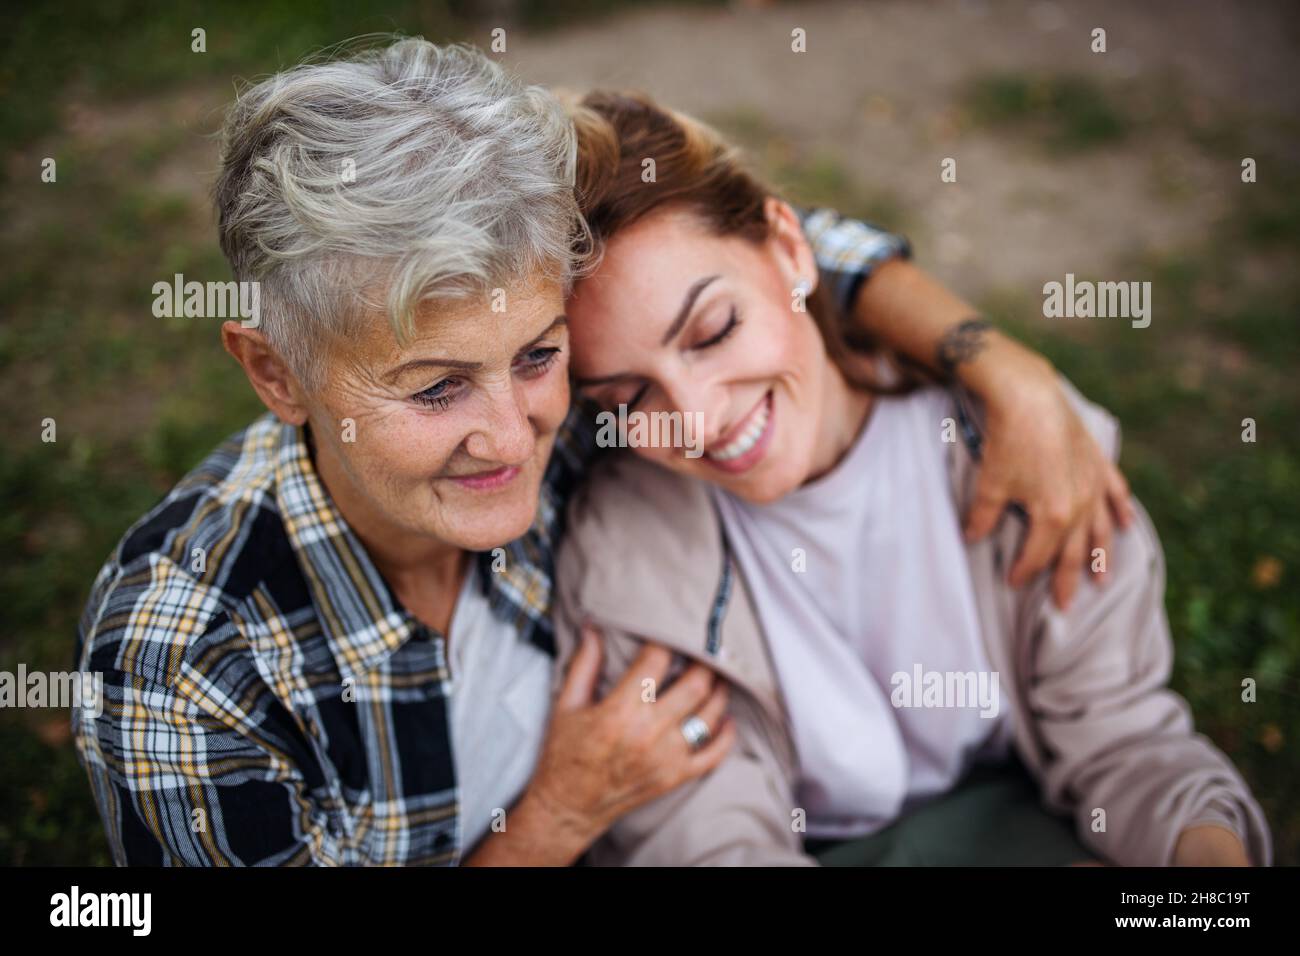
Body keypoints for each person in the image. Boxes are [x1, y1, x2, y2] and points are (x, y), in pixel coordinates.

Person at [73, 38, 1130, 866]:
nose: (512, 434)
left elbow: (733, 245)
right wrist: (551, 820)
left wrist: (998, 366)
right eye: (435, 386)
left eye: (539, 355)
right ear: (276, 373)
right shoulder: (183, 665)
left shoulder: (602, 403)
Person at [553, 90, 1272, 866]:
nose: (694, 420)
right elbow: (711, 843)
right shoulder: (625, 557)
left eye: (714, 330)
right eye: (627, 396)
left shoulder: (1018, 448)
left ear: (792, 251)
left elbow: (1126, 743)